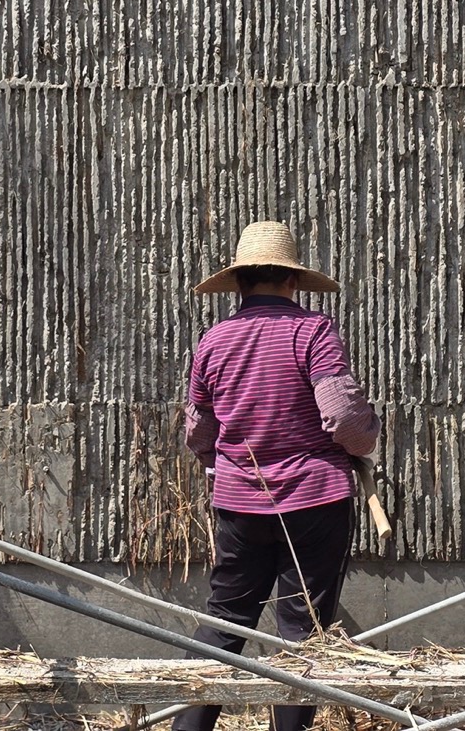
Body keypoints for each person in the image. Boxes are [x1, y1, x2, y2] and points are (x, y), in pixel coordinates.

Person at [177, 219, 381, 731]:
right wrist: (364, 443)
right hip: (316, 500)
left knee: (226, 620)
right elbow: (343, 416)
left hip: (239, 505)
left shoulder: (214, 340)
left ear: (240, 282)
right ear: (293, 281)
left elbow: (198, 431)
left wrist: (220, 465)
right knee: (301, 630)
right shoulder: (312, 332)